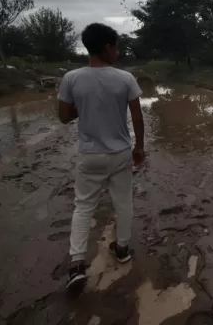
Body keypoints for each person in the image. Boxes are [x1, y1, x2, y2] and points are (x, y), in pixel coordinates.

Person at [57, 23, 145, 290]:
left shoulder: (71, 78)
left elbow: (63, 117)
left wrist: (81, 109)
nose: (117, 51)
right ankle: (122, 249)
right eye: (116, 46)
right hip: (119, 153)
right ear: (107, 47)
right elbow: (137, 116)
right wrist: (139, 147)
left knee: (83, 206)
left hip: (90, 155)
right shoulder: (125, 79)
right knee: (123, 202)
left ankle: (76, 265)